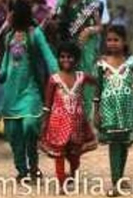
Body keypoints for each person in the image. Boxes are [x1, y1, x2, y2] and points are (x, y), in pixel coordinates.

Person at [0, 0, 59, 182]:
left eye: (12, 13)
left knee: (30, 125)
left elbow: (49, 57)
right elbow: (5, 66)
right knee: (14, 134)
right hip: (10, 93)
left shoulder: (36, 34)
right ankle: (23, 170)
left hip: (30, 90)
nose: (8, 16)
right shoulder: (9, 37)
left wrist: (59, 77)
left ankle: (33, 164)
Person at [96, 25, 133, 197]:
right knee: (114, 142)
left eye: (116, 40)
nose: (112, 43)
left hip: (127, 108)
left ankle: (120, 178)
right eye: (109, 40)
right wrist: (96, 111)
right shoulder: (101, 64)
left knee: (123, 141)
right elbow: (97, 90)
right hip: (108, 109)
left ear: (124, 41)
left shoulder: (132, 62)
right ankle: (116, 182)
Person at [39, 41, 96, 188]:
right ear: (58, 59)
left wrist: (98, 100)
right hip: (58, 122)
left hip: (77, 121)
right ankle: (61, 182)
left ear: (76, 59)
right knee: (59, 153)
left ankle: (73, 173)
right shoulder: (54, 79)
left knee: (75, 152)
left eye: (70, 57)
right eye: (62, 57)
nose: (66, 60)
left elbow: (98, 82)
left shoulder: (81, 77)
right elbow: (47, 103)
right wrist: (45, 122)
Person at [55, 0, 103, 121]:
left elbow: (100, 26)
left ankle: (85, 116)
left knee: (85, 75)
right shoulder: (64, 5)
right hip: (69, 45)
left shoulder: (90, 4)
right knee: (70, 77)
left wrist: (89, 31)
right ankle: (71, 115)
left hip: (86, 44)